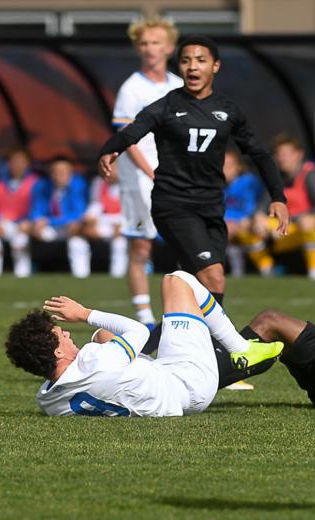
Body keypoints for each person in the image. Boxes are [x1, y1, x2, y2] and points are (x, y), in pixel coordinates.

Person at [97, 33, 289, 332]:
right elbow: (133, 130)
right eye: (186, 61)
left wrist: (278, 196)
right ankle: (222, 354)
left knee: (198, 286)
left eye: (200, 60)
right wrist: (110, 149)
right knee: (213, 276)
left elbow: (259, 153)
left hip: (211, 207)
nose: (192, 67)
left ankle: (151, 345)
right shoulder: (166, 106)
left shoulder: (228, 110)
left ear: (215, 66)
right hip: (173, 205)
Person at [4, 270, 277, 418]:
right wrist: (85, 314)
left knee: (101, 337)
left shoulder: (47, 400)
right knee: (178, 281)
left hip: (164, 390)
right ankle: (242, 350)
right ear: (57, 351)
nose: (67, 334)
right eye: (61, 334)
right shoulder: (96, 363)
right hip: (188, 382)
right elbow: (139, 331)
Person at [107, 16, 182, 325]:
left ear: (169, 47)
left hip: (175, 177)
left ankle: (184, 311)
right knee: (140, 246)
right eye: (145, 43)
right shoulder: (131, 88)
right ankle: (145, 317)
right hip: (139, 179)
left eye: (156, 42)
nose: (150, 49)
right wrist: (152, 172)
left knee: (184, 243)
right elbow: (127, 138)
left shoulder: (179, 86)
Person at [245, 136, 315, 280]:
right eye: (278, 154)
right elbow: (263, 205)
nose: (281, 158)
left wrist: (287, 221)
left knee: (307, 223)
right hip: (291, 229)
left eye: (286, 154)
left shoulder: (311, 174)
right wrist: (258, 217)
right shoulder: (276, 178)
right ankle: (267, 273)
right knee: (248, 226)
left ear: (299, 154)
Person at [0, 148, 49, 278]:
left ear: (28, 163)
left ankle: (22, 275)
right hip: (0, 224)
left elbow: (39, 208)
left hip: (22, 224)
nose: (17, 165)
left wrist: (25, 221)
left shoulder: (37, 183)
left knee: (20, 239)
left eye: (21, 161)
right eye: (14, 161)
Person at [34, 159, 97, 279]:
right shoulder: (43, 186)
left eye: (63, 172)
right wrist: (38, 220)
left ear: (71, 173)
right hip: (51, 229)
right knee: (27, 234)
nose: (59, 175)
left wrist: (50, 221)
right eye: (55, 172)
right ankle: (24, 274)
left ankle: (81, 278)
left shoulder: (78, 185)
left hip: (70, 228)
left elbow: (79, 213)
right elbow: (36, 209)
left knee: (77, 241)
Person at [221, 149, 264, 277]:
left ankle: (265, 267)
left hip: (247, 223)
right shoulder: (216, 185)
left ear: (238, 167)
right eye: (221, 165)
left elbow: (255, 207)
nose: (224, 169)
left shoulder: (250, 182)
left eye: (228, 165)